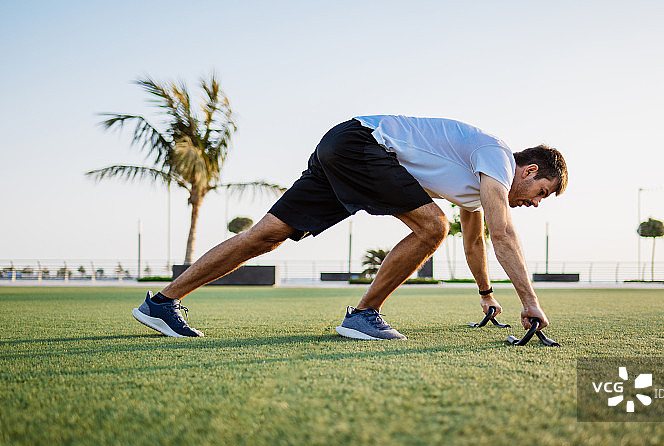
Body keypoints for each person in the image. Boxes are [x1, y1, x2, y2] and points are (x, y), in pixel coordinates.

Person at [132, 115, 568, 340]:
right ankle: (364, 315)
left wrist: (487, 295)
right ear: (528, 170)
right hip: (363, 144)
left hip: (341, 143)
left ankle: (162, 303)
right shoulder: (497, 154)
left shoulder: (478, 187)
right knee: (432, 227)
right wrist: (530, 301)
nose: (533, 203)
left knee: (264, 236)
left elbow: (477, 242)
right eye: (541, 192)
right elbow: (504, 233)